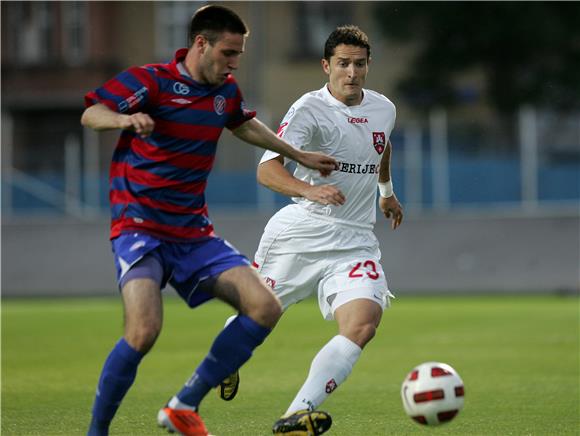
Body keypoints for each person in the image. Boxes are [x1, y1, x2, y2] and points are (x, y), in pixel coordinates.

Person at [81, 5, 338, 436]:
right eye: (229, 52)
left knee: (264, 307)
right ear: (201, 44)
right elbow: (92, 114)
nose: (234, 62)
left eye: (239, 53)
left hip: (193, 233)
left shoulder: (225, 91)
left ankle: (184, 404)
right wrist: (124, 118)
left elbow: (242, 125)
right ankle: (97, 433)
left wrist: (298, 155)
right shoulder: (151, 81)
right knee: (144, 330)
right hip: (139, 226)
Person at [220, 25, 404, 435]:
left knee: (363, 325)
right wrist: (310, 190)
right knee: (257, 317)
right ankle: (225, 360)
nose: (351, 72)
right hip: (303, 231)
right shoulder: (308, 110)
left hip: (355, 238)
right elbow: (267, 171)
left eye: (359, 64)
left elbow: (382, 144)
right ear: (326, 66)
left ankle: (295, 416)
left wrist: (386, 192)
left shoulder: (383, 108)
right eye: (343, 64)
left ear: (368, 66)